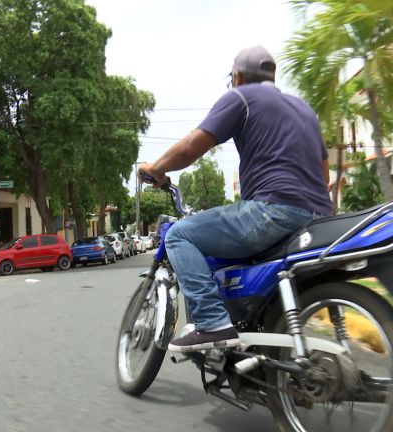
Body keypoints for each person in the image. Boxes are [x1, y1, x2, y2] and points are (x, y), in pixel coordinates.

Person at [139, 46, 333, 353]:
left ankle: (212, 324)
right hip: (318, 217)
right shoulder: (303, 108)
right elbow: (324, 175)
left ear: (238, 77)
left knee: (179, 235)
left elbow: (192, 147)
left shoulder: (241, 97)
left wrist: (156, 168)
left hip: (271, 211)